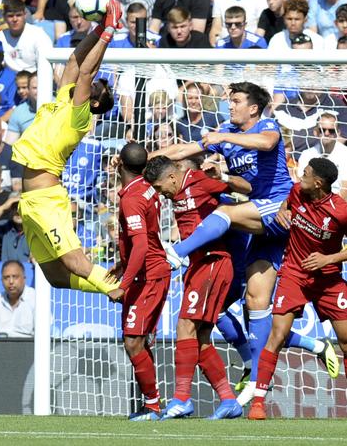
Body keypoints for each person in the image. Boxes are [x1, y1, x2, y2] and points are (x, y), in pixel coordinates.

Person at [152, 82, 340, 405]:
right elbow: (185, 151)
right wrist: (145, 159)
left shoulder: (267, 126)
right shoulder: (226, 130)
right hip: (264, 224)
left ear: (253, 107)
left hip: (281, 206)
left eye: (236, 101)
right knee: (255, 301)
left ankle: (178, 252)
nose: (231, 106)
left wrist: (223, 138)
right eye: (230, 100)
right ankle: (256, 380)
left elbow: (267, 144)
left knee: (225, 210)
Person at [11, 0, 123, 298]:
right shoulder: (64, 98)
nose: (90, 83)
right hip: (30, 201)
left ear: (94, 103)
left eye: (95, 89)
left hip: (47, 200)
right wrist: (98, 28)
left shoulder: (80, 118)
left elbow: (86, 73)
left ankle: (119, 289)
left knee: (75, 261)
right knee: (56, 277)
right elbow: (77, 62)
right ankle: (114, 287)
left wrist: (110, 31)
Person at [144, 155, 253, 420]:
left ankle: (181, 399)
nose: (162, 194)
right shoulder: (176, 190)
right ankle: (229, 400)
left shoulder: (201, 182)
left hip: (213, 261)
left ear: (172, 177)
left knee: (185, 326)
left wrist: (224, 178)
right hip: (198, 264)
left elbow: (246, 188)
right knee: (200, 337)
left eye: (160, 188)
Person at [247, 158, 347, 420]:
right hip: (294, 273)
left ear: (319, 183)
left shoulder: (340, 210)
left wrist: (329, 259)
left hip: (328, 278)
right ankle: (258, 403)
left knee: (346, 341)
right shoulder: (297, 191)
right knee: (277, 335)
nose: (300, 175)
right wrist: (282, 210)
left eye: (306, 173)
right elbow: (287, 203)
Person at [102, 143, 171, 421]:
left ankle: (153, 406)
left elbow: (142, 245)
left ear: (119, 163)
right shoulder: (146, 188)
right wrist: (123, 263)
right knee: (137, 341)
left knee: (132, 342)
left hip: (148, 276)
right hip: (149, 272)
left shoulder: (131, 198)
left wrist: (124, 284)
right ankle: (152, 402)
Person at [0, 0, 53, 73]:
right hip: (9, 80)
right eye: (10, 16)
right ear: (4, 17)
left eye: (18, 15)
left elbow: (45, 67)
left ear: (25, 15)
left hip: (34, 78)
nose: (15, 19)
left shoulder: (39, 35)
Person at [296, 112, 347, 198]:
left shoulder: (345, 154)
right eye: (322, 130)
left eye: (331, 130)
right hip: (311, 201)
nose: (326, 133)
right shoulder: (306, 154)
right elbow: (301, 183)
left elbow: (345, 189)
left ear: (337, 133)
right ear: (315, 132)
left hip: (337, 203)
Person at [0, 260, 34, 337]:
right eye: (6, 277)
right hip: (0, 347)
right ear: (1, 281)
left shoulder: (36, 300)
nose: (11, 281)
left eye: (15, 277)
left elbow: (45, 335)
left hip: (29, 347)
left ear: (24, 278)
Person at [5, 72, 38, 144]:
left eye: (24, 87)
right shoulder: (18, 111)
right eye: (35, 88)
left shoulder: (58, 106)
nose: (21, 91)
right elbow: (9, 145)